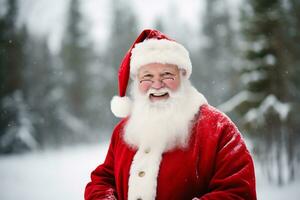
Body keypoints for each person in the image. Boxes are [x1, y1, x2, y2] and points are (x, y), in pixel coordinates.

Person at [85, 29, 257, 200]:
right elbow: (103, 180)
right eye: (147, 77)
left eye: (167, 75)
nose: (157, 85)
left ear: (182, 77)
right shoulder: (124, 130)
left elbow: (238, 192)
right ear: (137, 82)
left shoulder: (219, 128)